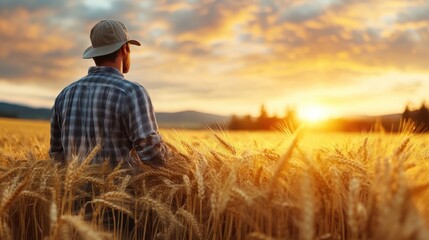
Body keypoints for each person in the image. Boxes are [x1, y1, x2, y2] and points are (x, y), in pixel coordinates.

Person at [49, 19, 168, 167]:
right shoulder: (131, 93)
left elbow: (56, 156)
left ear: (94, 53)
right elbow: (152, 155)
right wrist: (183, 163)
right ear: (125, 49)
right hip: (123, 190)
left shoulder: (64, 95)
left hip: (72, 190)